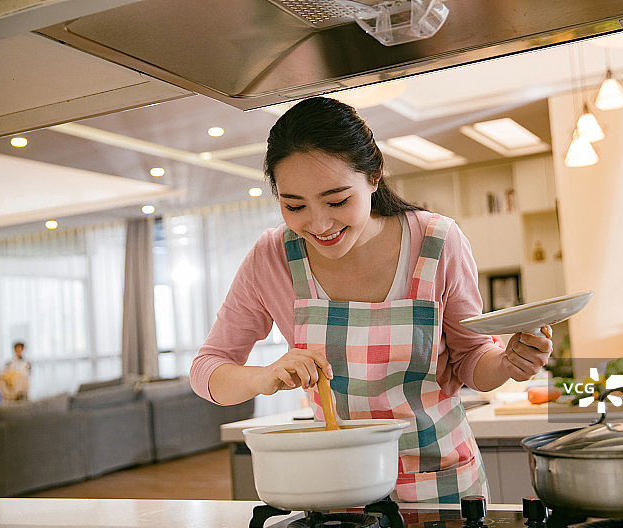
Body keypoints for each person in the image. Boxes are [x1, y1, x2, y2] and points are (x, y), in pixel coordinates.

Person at [190, 97, 553, 503]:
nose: (319, 224)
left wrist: (507, 363)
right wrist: (264, 376)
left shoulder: (436, 241)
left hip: (442, 482)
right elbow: (207, 370)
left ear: (374, 177)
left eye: (337, 200)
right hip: (342, 488)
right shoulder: (271, 257)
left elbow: (471, 361)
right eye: (294, 205)